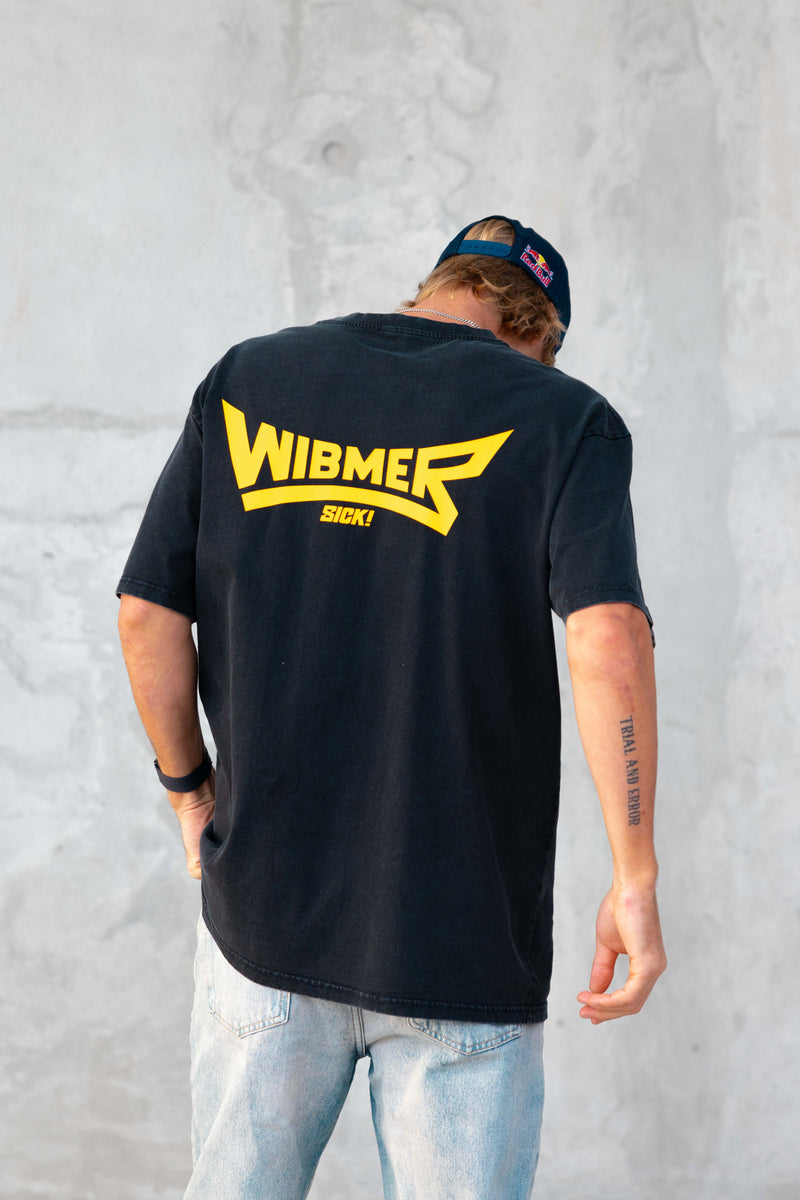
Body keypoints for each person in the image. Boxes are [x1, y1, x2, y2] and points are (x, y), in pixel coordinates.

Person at [117, 214, 666, 1200]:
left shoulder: (249, 379)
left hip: (264, 918)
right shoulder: (560, 416)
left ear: (438, 287)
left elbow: (146, 611)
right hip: (461, 939)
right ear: (535, 332)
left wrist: (189, 792)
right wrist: (633, 876)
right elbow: (607, 636)